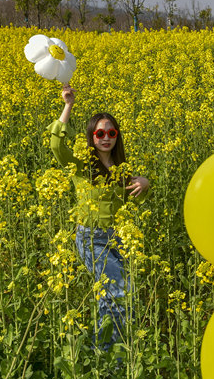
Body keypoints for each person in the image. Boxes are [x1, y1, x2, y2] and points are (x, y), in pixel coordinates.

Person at [48, 84, 150, 350]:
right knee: (119, 290)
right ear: (92, 136)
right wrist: (68, 105)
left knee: (111, 295)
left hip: (119, 238)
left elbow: (134, 200)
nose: (106, 137)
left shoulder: (121, 169)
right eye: (100, 133)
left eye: (111, 133)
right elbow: (56, 145)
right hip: (91, 238)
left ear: (117, 136)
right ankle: (113, 357)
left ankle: (103, 354)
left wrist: (145, 184)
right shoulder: (81, 166)